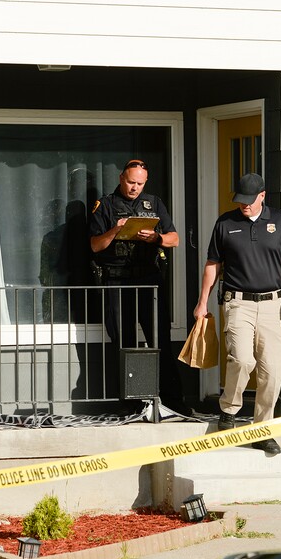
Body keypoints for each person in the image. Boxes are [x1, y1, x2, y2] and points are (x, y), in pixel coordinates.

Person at [193, 173, 281, 455]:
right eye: (240, 200)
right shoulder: (225, 223)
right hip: (238, 303)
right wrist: (203, 301)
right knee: (242, 359)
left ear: (262, 196)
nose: (244, 205)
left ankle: (262, 431)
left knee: (272, 371)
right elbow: (213, 264)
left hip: (272, 305)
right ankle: (229, 408)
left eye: (249, 200)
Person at [89, 159, 181, 410]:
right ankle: (130, 405)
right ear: (121, 178)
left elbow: (174, 239)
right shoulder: (105, 205)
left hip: (149, 280)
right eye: (131, 182)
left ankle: (173, 401)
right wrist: (115, 231)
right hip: (118, 280)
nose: (135, 188)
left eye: (140, 183)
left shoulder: (154, 203)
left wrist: (156, 238)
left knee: (160, 340)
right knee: (124, 343)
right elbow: (95, 245)